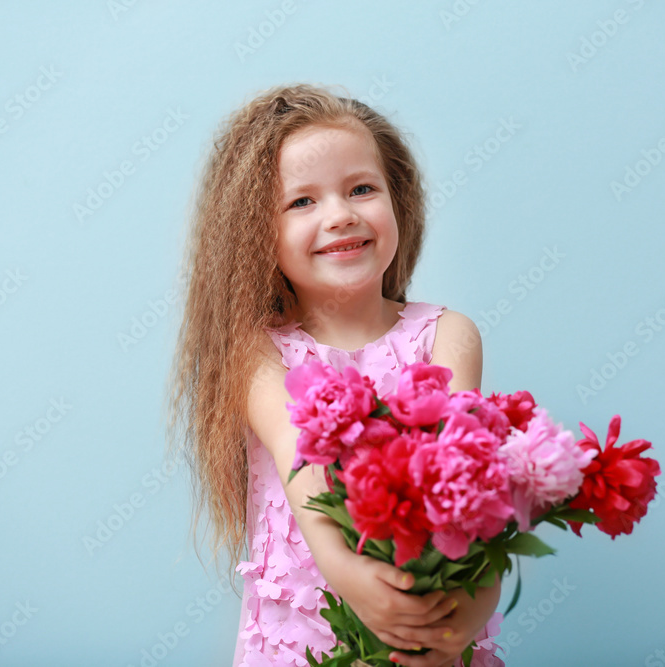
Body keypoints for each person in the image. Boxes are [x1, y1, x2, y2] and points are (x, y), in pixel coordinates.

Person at [167, 83, 505, 667]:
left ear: (397, 198)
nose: (341, 215)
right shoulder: (254, 353)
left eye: (362, 189)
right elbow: (302, 453)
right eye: (302, 202)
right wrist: (345, 569)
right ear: (255, 233)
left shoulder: (448, 337)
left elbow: (469, 497)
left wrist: (458, 627)